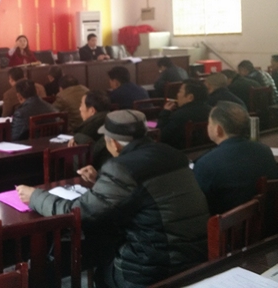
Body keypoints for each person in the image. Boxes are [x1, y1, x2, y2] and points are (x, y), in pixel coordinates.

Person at [16, 110, 209, 287]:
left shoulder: (120, 168)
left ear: (114, 143)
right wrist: (101, 180)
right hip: (195, 254)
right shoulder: (171, 153)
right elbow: (147, 192)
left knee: (97, 257)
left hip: (153, 268)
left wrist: (35, 197)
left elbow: (80, 213)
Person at [194, 101, 278, 215]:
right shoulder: (264, 151)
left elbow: (197, 205)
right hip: (266, 220)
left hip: (225, 224)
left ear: (218, 129)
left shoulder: (206, 163)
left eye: (209, 123)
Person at [156, 79, 211, 149]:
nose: (177, 94)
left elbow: (161, 137)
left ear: (190, 97)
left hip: (181, 152)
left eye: (180, 91)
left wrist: (165, 113)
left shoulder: (179, 116)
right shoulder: (212, 111)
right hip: (206, 150)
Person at [68, 90, 112, 170]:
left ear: (92, 111)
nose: (80, 109)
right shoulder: (113, 121)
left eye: (81, 105)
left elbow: (79, 166)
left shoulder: (85, 133)